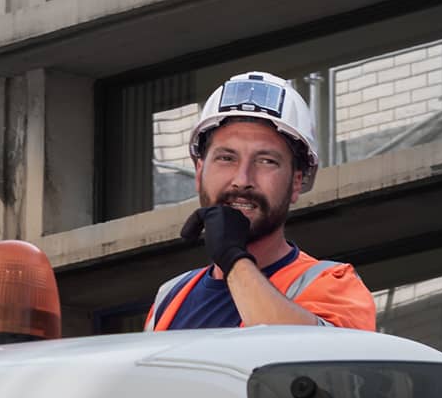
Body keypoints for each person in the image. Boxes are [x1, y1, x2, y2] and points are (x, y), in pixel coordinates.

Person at [145, 71, 376, 332]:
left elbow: (302, 357)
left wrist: (233, 259)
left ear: (296, 182)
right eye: (226, 158)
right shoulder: (170, 297)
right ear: (199, 172)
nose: (242, 180)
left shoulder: (333, 285)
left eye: (266, 161)